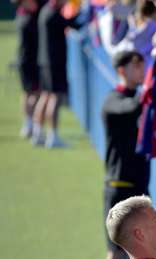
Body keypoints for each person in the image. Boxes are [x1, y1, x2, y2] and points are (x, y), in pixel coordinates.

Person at [90, 51, 149, 259]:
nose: (142, 70)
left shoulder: (136, 97)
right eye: (137, 66)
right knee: (115, 257)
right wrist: (152, 88)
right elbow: (132, 106)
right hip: (118, 189)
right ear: (122, 70)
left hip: (135, 189)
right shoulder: (113, 100)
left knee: (135, 257)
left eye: (143, 65)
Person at [32, 0, 82, 148]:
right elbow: (73, 24)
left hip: (46, 61)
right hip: (54, 63)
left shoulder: (46, 10)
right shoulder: (53, 14)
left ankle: (38, 132)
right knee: (54, 98)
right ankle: (52, 136)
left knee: (46, 96)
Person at [14, 0, 41, 139]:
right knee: (34, 94)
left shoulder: (23, 14)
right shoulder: (27, 18)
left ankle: (29, 125)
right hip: (28, 62)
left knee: (29, 93)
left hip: (26, 61)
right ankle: (33, 126)